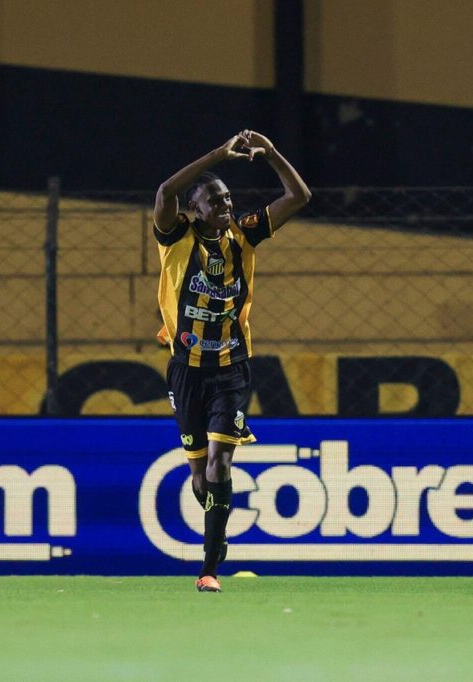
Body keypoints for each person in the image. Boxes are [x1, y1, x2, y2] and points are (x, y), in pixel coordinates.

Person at [153, 130, 311, 592]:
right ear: (195, 210)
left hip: (230, 367)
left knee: (221, 463)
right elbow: (165, 192)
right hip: (185, 370)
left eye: (227, 199)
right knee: (202, 479)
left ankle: (209, 567)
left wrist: (275, 154)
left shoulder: (245, 234)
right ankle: (215, 527)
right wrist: (219, 154)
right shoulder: (175, 237)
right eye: (215, 202)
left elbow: (299, 196)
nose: (225, 207)